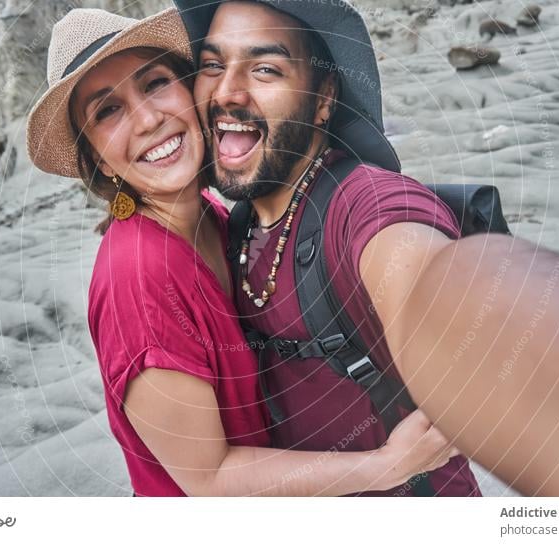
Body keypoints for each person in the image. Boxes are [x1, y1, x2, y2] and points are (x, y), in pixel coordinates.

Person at [174, 0, 559, 495]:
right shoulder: (236, 225)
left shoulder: (367, 205)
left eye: (265, 69)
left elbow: (435, 285)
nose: (227, 92)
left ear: (323, 99)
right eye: (212, 65)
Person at [25, 7, 460, 497]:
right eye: (107, 110)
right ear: (96, 159)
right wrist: (384, 466)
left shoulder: (218, 217)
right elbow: (209, 480)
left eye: (154, 83)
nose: (147, 119)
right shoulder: (139, 275)